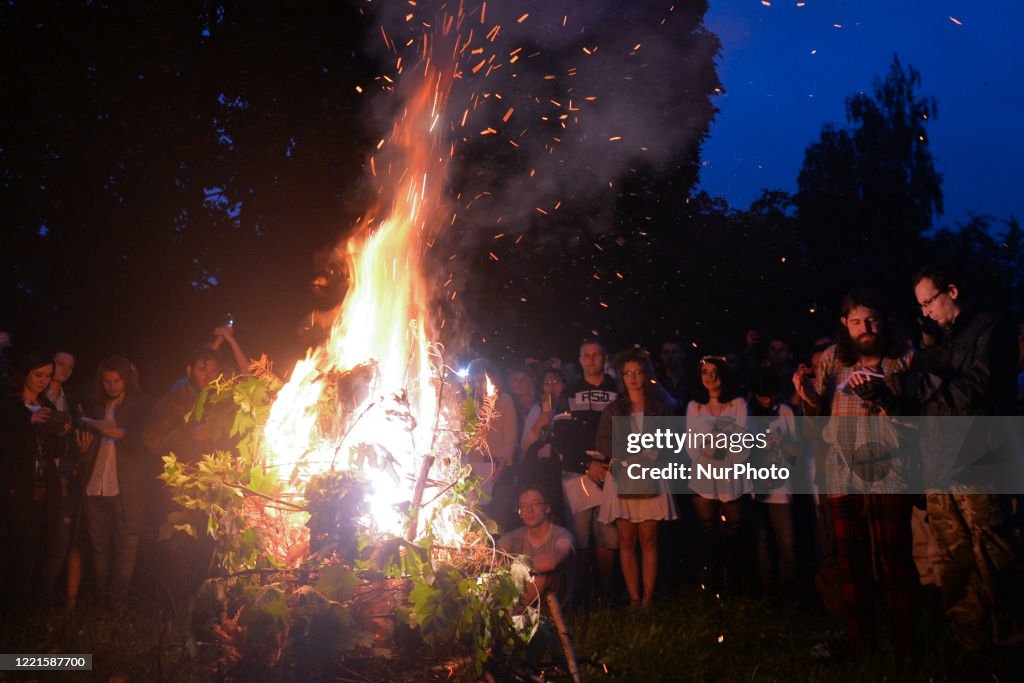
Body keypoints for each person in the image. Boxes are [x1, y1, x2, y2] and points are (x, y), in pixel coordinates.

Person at [899, 264, 1023, 660]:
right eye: (920, 306)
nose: (925, 312)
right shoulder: (940, 341)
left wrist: (923, 385)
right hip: (941, 463)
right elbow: (929, 399)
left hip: (980, 457)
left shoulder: (991, 328)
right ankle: (970, 644)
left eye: (929, 301)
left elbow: (976, 389)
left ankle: (1011, 643)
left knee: (994, 554)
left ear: (951, 290)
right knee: (953, 556)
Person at [792, 288, 917, 658]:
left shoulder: (904, 358)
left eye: (872, 319)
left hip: (890, 470)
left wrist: (883, 397)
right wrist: (808, 398)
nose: (866, 327)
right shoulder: (832, 357)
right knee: (851, 562)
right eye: (857, 321)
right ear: (845, 324)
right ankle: (860, 641)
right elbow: (816, 417)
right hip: (842, 470)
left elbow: (917, 418)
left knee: (894, 558)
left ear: (884, 320)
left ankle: (905, 644)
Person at [596, 348, 677, 607]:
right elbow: (602, 441)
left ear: (645, 375)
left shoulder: (659, 408)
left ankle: (648, 597)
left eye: (638, 372)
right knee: (627, 539)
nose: (633, 378)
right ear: (622, 376)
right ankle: (633, 597)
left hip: (651, 474)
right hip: (623, 474)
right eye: (628, 373)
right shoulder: (615, 408)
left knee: (649, 538)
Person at [78, 355, 152, 607]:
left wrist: (111, 430)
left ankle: (117, 605)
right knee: (100, 548)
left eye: (116, 381)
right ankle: (101, 601)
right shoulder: (95, 405)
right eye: (107, 381)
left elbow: (140, 439)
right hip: (96, 484)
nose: (111, 386)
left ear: (126, 380)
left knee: (125, 548)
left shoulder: (139, 405)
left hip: (125, 487)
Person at [0, 353, 64, 610]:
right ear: (26, 373)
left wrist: (62, 433)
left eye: (47, 376)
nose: (42, 380)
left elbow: (54, 450)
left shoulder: (48, 404)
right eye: (38, 375)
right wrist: (29, 422)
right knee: (11, 548)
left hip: (42, 487)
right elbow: (7, 442)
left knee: (34, 550)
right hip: (15, 488)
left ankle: (21, 613)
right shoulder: (9, 405)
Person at [686, 355, 750, 594]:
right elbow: (692, 447)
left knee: (734, 528)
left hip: (732, 475)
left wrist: (713, 444)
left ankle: (733, 582)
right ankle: (712, 583)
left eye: (715, 371)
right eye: (705, 372)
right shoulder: (695, 406)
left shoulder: (738, 404)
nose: (710, 377)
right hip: (704, 475)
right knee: (708, 529)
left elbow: (744, 442)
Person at [564, 338, 619, 600]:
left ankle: (607, 592)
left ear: (605, 358)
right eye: (586, 355)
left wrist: (610, 464)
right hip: (578, 472)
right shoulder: (570, 391)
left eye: (597, 354)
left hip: (612, 470)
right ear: (580, 359)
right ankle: (584, 594)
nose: (592, 359)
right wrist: (587, 465)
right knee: (581, 536)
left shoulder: (618, 389)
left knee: (609, 535)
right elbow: (562, 435)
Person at [749, 368, 798, 598]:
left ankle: (788, 590)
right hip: (757, 489)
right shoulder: (750, 414)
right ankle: (768, 593)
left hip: (782, 487)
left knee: (787, 541)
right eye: (762, 396)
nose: (768, 400)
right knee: (761, 541)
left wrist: (782, 443)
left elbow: (795, 451)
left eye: (771, 395)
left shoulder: (785, 412)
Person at [497, 487, 575, 607]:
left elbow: (551, 561)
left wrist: (517, 570)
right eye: (523, 506)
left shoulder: (561, 534)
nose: (529, 510)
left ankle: (515, 615)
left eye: (535, 504)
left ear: (547, 508)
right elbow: (493, 555)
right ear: (520, 513)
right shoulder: (514, 537)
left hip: (555, 600)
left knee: (543, 577)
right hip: (522, 594)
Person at [465, 359, 518, 531]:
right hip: (473, 469)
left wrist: (500, 467)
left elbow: (510, 437)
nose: (478, 385)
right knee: (476, 520)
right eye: (474, 381)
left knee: (497, 520)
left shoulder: (504, 401)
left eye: (481, 380)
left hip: (496, 466)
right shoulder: (467, 404)